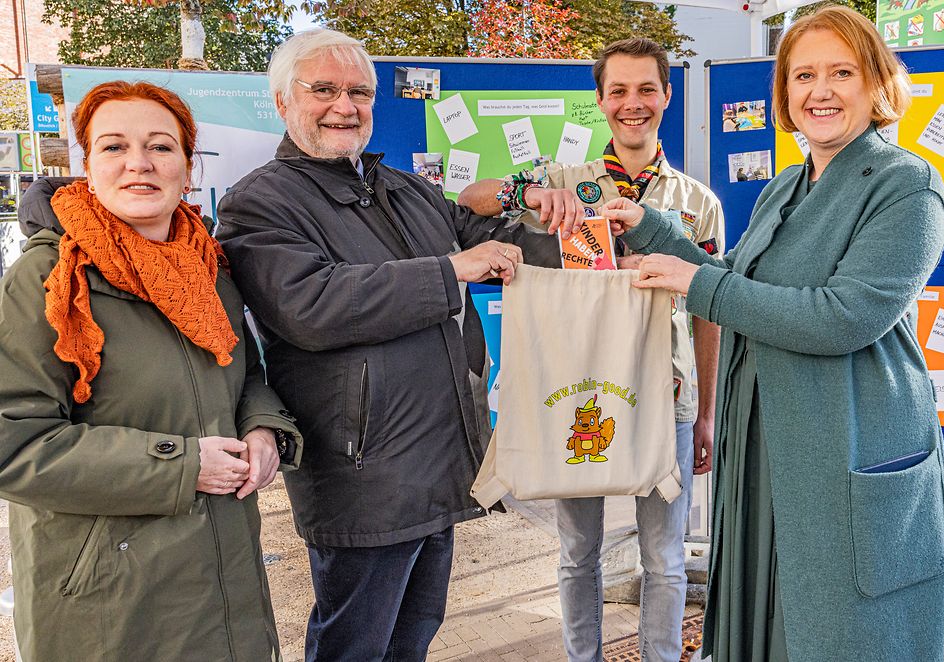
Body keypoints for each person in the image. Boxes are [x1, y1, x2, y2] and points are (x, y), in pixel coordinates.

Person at [601, 6, 944, 660]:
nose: (819, 91)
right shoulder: (784, 187)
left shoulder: (907, 186)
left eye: (840, 72)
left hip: (840, 457)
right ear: (784, 94)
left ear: (874, 84)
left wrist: (694, 282)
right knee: (763, 630)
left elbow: (844, 316)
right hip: (763, 452)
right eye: (802, 75)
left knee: (834, 635)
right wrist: (651, 229)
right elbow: (740, 287)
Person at [215, 29, 559, 661]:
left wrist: (586, 236)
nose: (345, 105)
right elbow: (310, 305)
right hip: (364, 475)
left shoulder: (401, 187)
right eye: (325, 89)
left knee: (412, 639)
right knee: (353, 646)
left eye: (360, 92)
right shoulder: (259, 201)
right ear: (283, 101)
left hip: (438, 464)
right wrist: (453, 269)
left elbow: (483, 231)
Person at [0, 81, 301, 661]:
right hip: (110, 602)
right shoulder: (49, 278)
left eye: (161, 147)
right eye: (114, 147)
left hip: (223, 575)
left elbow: (244, 371)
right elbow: (13, 443)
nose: (139, 163)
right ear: (89, 164)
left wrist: (264, 428)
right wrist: (184, 465)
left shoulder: (209, 267)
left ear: (187, 166)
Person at [458, 37, 723, 662]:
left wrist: (708, 411)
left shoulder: (697, 204)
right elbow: (470, 197)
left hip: (671, 398)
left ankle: (659, 656)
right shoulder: (565, 180)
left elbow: (711, 312)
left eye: (646, 89)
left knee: (663, 555)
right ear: (601, 101)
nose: (633, 104)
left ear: (666, 95)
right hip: (579, 394)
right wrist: (527, 197)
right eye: (619, 91)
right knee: (579, 551)